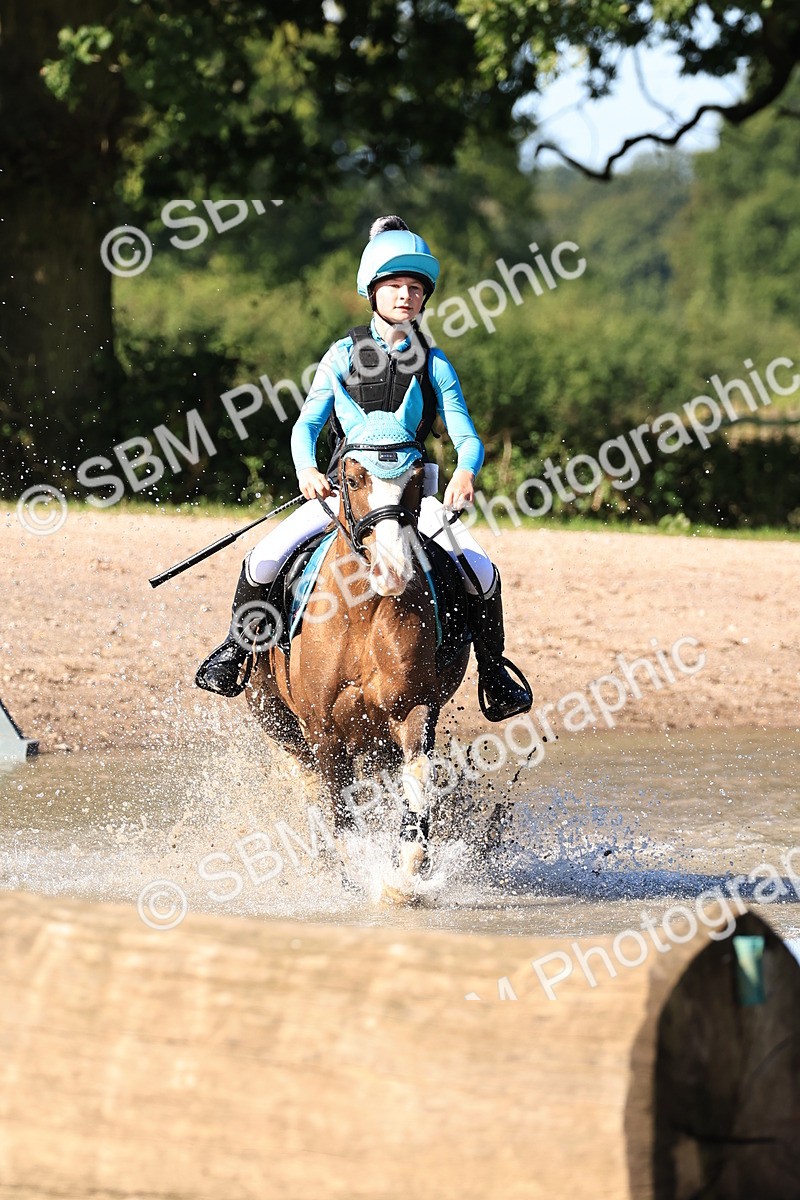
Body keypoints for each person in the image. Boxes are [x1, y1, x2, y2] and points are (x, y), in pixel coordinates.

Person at [196, 216, 533, 721]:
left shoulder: (435, 364)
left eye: (415, 288)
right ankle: (235, 651)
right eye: (395, 286)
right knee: (264, 558)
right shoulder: (340, 355)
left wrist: (465, 471)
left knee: (481, 572)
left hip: (411, 499)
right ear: (372, 292)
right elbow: (306, 425)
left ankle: (493, 672)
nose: (406, 295)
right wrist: (307, 469)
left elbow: (466, 435)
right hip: (345, 493)